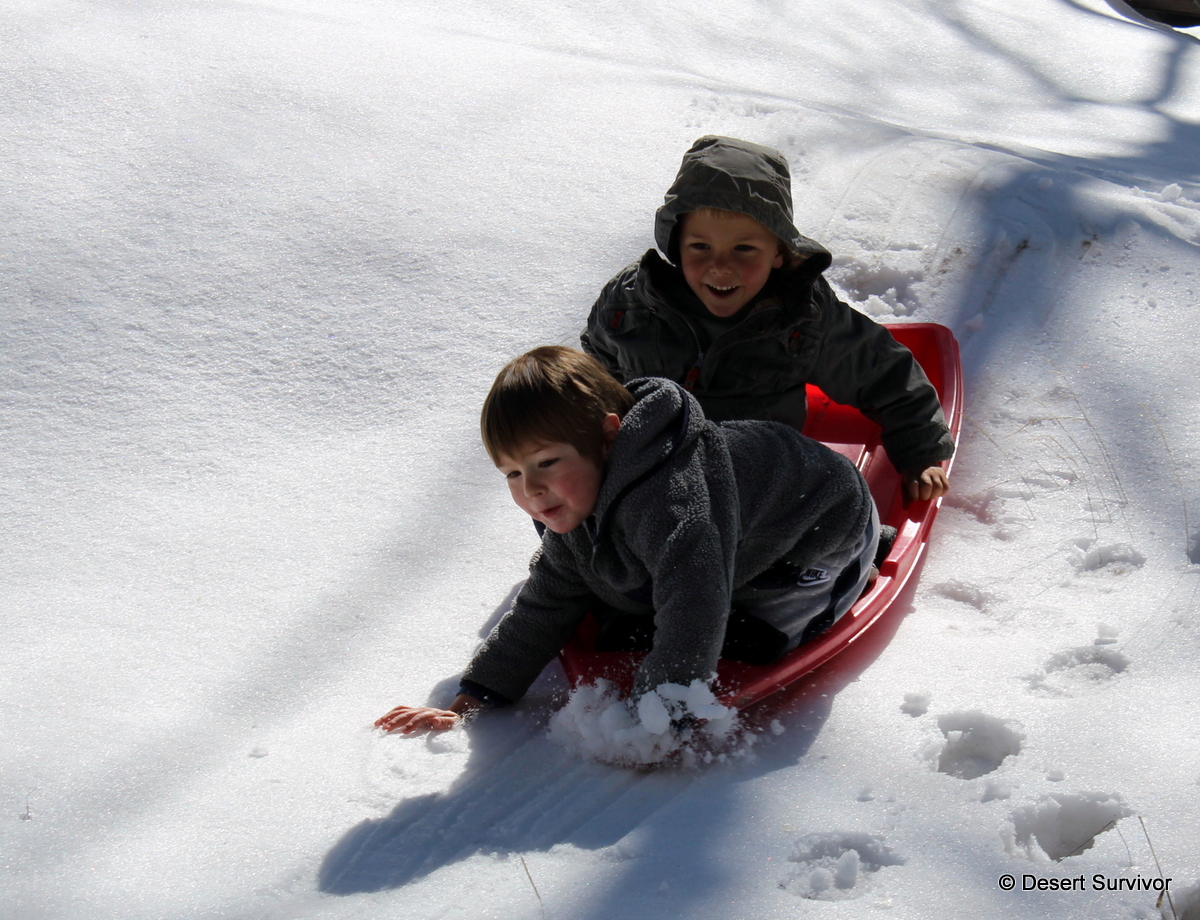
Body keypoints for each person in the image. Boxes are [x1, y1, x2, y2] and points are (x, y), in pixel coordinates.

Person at [376, 346, 877, 734]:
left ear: (609, 437)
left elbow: (696, 604)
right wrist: (473, 699)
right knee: (621, 624)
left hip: (817, 527)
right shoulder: (575, 506)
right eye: (512, 473)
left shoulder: (672, 501)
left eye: (546, 462)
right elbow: (546, 602)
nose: (531, 488)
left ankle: (863, 563)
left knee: (750, 643)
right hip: (738, 538)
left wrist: (655, 722)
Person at [580, 135, 955, 505]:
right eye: (700, 246)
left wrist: (920, 451)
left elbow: (882, 372)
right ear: (677, 245)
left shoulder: (799, 316)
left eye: (744, 249)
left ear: (779, 251)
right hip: (653, 469)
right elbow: (597, 368)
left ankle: (848, 538)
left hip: (758, 479)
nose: (720, 266)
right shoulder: (634, 303)